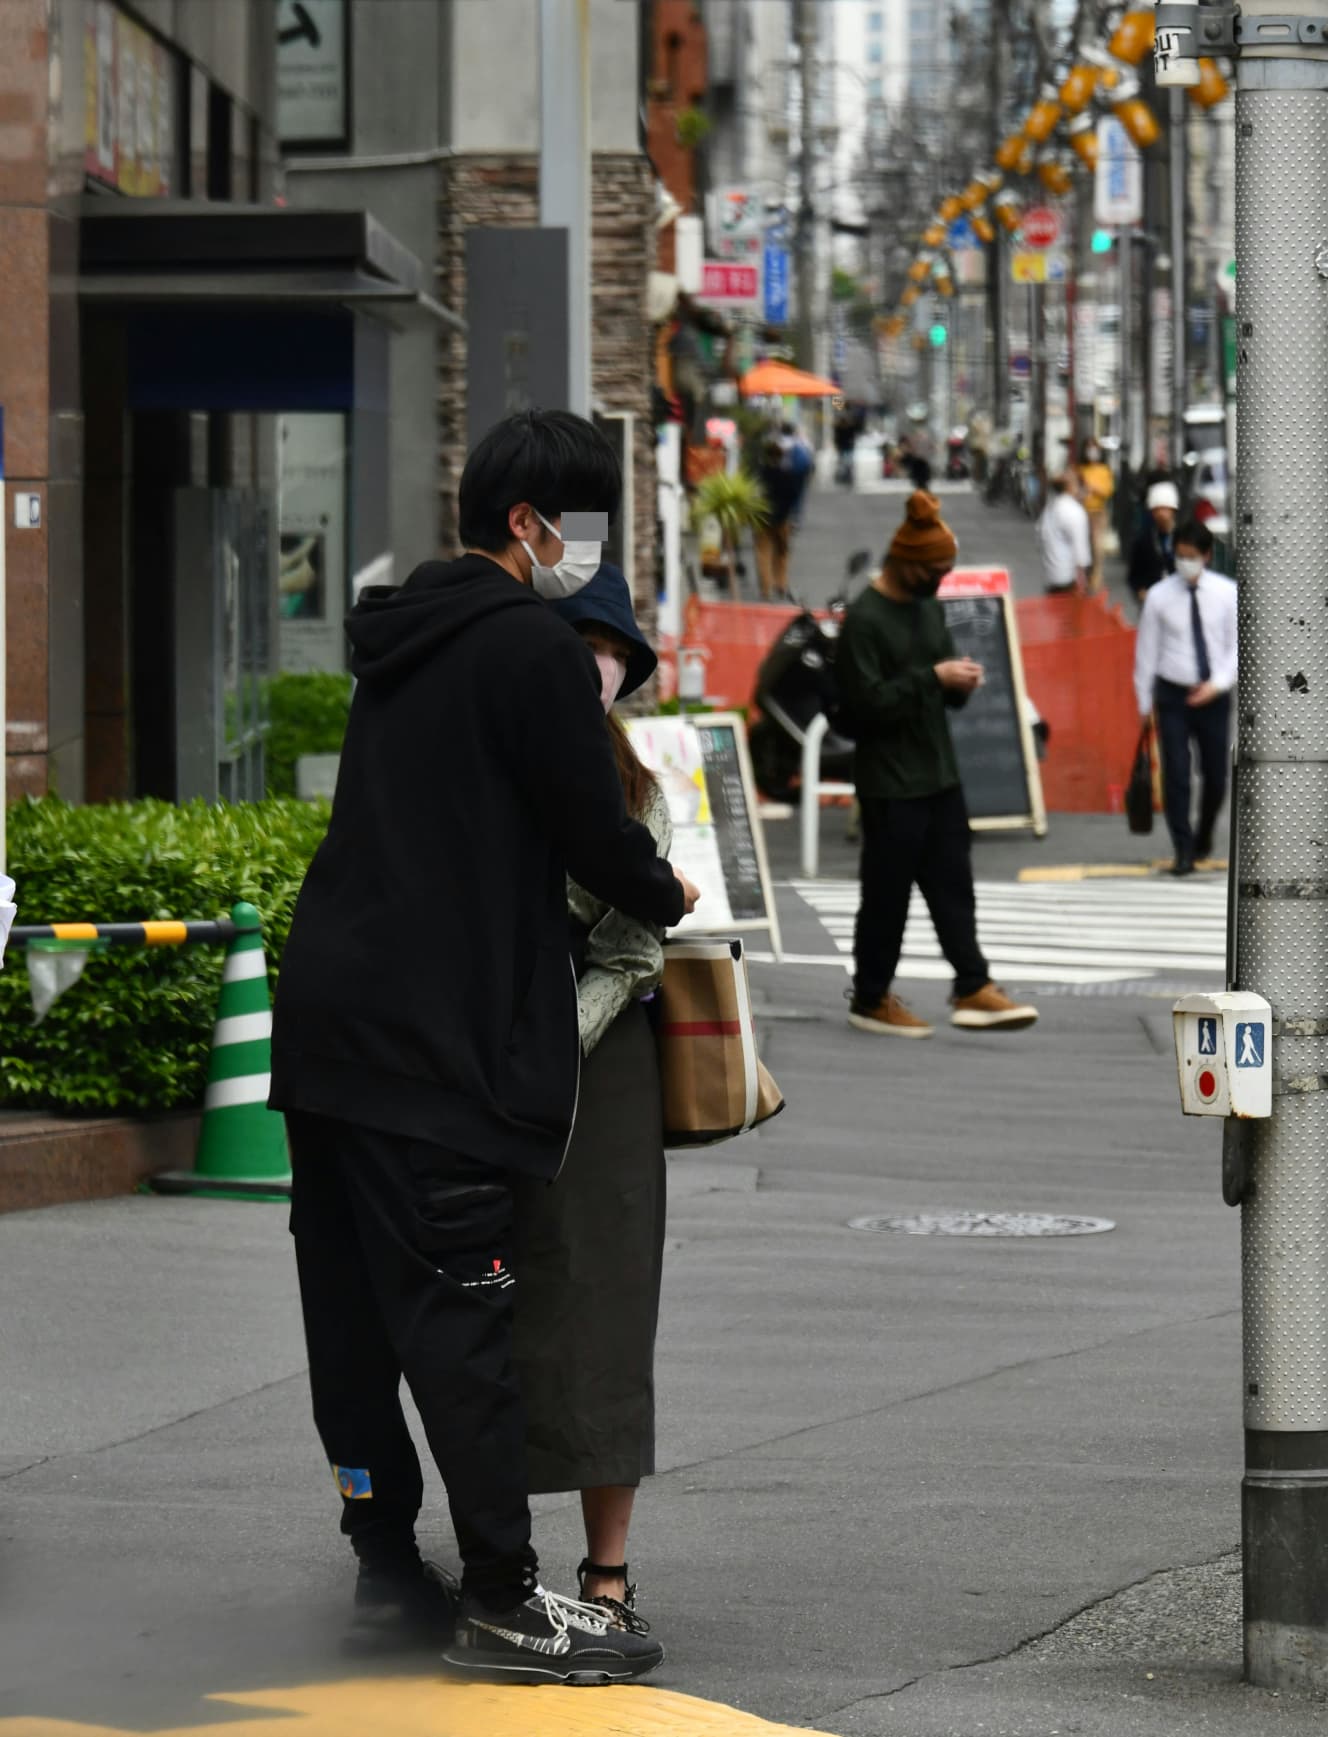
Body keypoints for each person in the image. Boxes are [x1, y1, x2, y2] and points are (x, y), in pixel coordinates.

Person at [269, 409, 700, 1685]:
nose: (587, 553)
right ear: (528, 524)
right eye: (581, 528)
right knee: (462, 1317)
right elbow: (592, 825)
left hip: (333, 1028)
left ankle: (385, 1572)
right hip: (437, 1042)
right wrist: (661, 889)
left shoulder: (400, 639)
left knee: (349, 1319)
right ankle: (507, 1597)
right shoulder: (522, 644)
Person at [512, 565, 671, 1644]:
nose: (586, 670)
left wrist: (547, 1048)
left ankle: (606, 1572)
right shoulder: (484, 765)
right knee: (484, 1307)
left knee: (602, 1311)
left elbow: (633, 949)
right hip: (479, 1060)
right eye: (566, 650)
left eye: (600, 654)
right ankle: (495, 1558)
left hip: (597, 1063)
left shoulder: (634, 786)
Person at [836, 490, 1039, 1037]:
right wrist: (933, 679)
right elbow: (862, 706)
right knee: (886, 898)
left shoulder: (929, 608)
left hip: (940, 775)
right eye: (935, 570)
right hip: (890, 783)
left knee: (955, 887)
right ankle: (872, 996)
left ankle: (972, 984)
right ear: (906, 562)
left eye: (947, 571)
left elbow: (940, 689)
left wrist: (957, 684)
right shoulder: (865, 620)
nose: (941, 580)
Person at [1134, 518, 1237, 876]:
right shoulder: (1160, 597)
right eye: (1179, 556)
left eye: (1192, 556)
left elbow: (1237, 646)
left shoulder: (1227, 594)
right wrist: (1144, 704)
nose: (1185, 563)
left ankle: (1204, 835)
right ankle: (1182, 847)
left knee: (1215, 775)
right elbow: (1147, 651)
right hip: (1172, 694)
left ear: (1207, 556)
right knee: (1176, 773)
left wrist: (1218, 684)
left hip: (1214, 694)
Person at [755, 435, 801, 601]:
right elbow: (793, 496)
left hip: (762, 519)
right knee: (782, 553)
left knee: (763, 553)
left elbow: (755, 496)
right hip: (782, 520)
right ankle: (781, 584)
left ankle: (766, 589)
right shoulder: (787, 474)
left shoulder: (761, 474)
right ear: (781, 456)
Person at [1037, 473, 1093, 596]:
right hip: (1069, 580)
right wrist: (1083, 581)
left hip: (1050, 576)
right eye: (1082, 485)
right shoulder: (1075, 511)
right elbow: (1081, 553)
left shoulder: (1051, 507)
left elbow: (1041, 535)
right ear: (1072, 487)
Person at [1128, 479, 1180, 604]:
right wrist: (1140, 591)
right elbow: (1134, 575)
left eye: (1165, 509)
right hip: (1152, 600)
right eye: (1157, 509)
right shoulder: (1143, 540)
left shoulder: (1184, 538)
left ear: (1173, 510)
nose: (1161, 514)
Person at [1076, 441, 1115, 592]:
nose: (1092, 452)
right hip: (1081, 513)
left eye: (1095, 449)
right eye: (1089, 448)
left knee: (1097, 547)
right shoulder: (1080, 469)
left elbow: (1108, 491)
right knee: (1084, 546)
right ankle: (1083, 577)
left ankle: (1095, 579)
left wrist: (1093, 488)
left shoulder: (1105, 470)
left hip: (1098, 512)